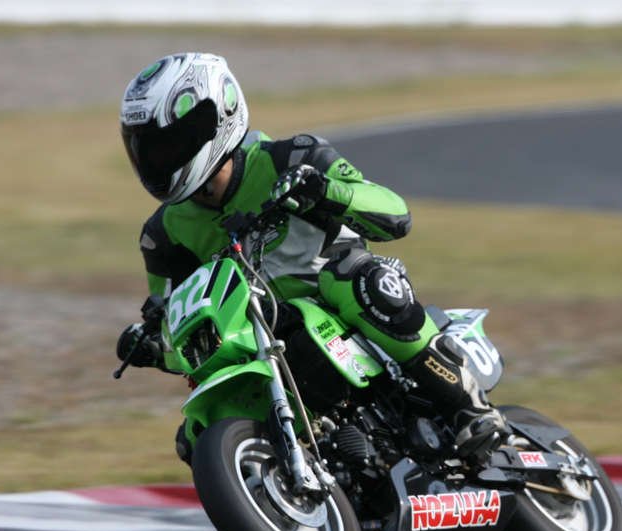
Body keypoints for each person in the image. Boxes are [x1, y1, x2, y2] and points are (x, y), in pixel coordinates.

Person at [115, 52, 504, 464]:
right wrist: (152, 343)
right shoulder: (163, 234)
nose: (158, 161)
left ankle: (468, 404)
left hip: (339, 302)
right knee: (195, 437)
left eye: (170, 145)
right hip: (260, 337)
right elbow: (176, 315)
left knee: (360, 280)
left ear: (217, 117)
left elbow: (395, 214)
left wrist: (325, 192)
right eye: (148, 150)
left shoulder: (292, 157)